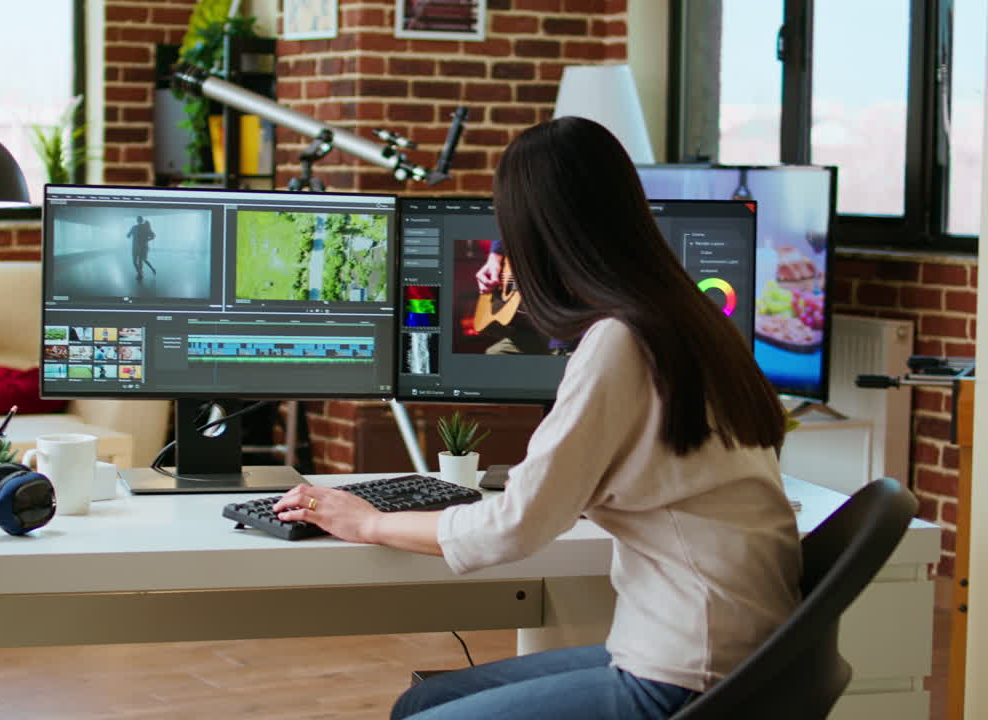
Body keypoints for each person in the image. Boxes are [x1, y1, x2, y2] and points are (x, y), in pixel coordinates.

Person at [273, 117, 800, 720]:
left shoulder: (621, 342)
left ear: (541, 237)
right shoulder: (688, 319)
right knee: (427, 700)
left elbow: (513, 527)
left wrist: (367, 523)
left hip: (687, 672)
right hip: (743, 648)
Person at [127, 215, 155, 280]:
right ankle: (141, 272)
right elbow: (128, 235)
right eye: (138, 219)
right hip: (136, 247)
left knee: (140, 261)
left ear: (139, 220)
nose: (138, 220)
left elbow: (153, 236)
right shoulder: (134, 227)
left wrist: (147, 240)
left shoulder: (144, 227)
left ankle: (140, 274)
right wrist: (147, 240)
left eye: (139, 219)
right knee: (137, 261)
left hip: (142, 247)